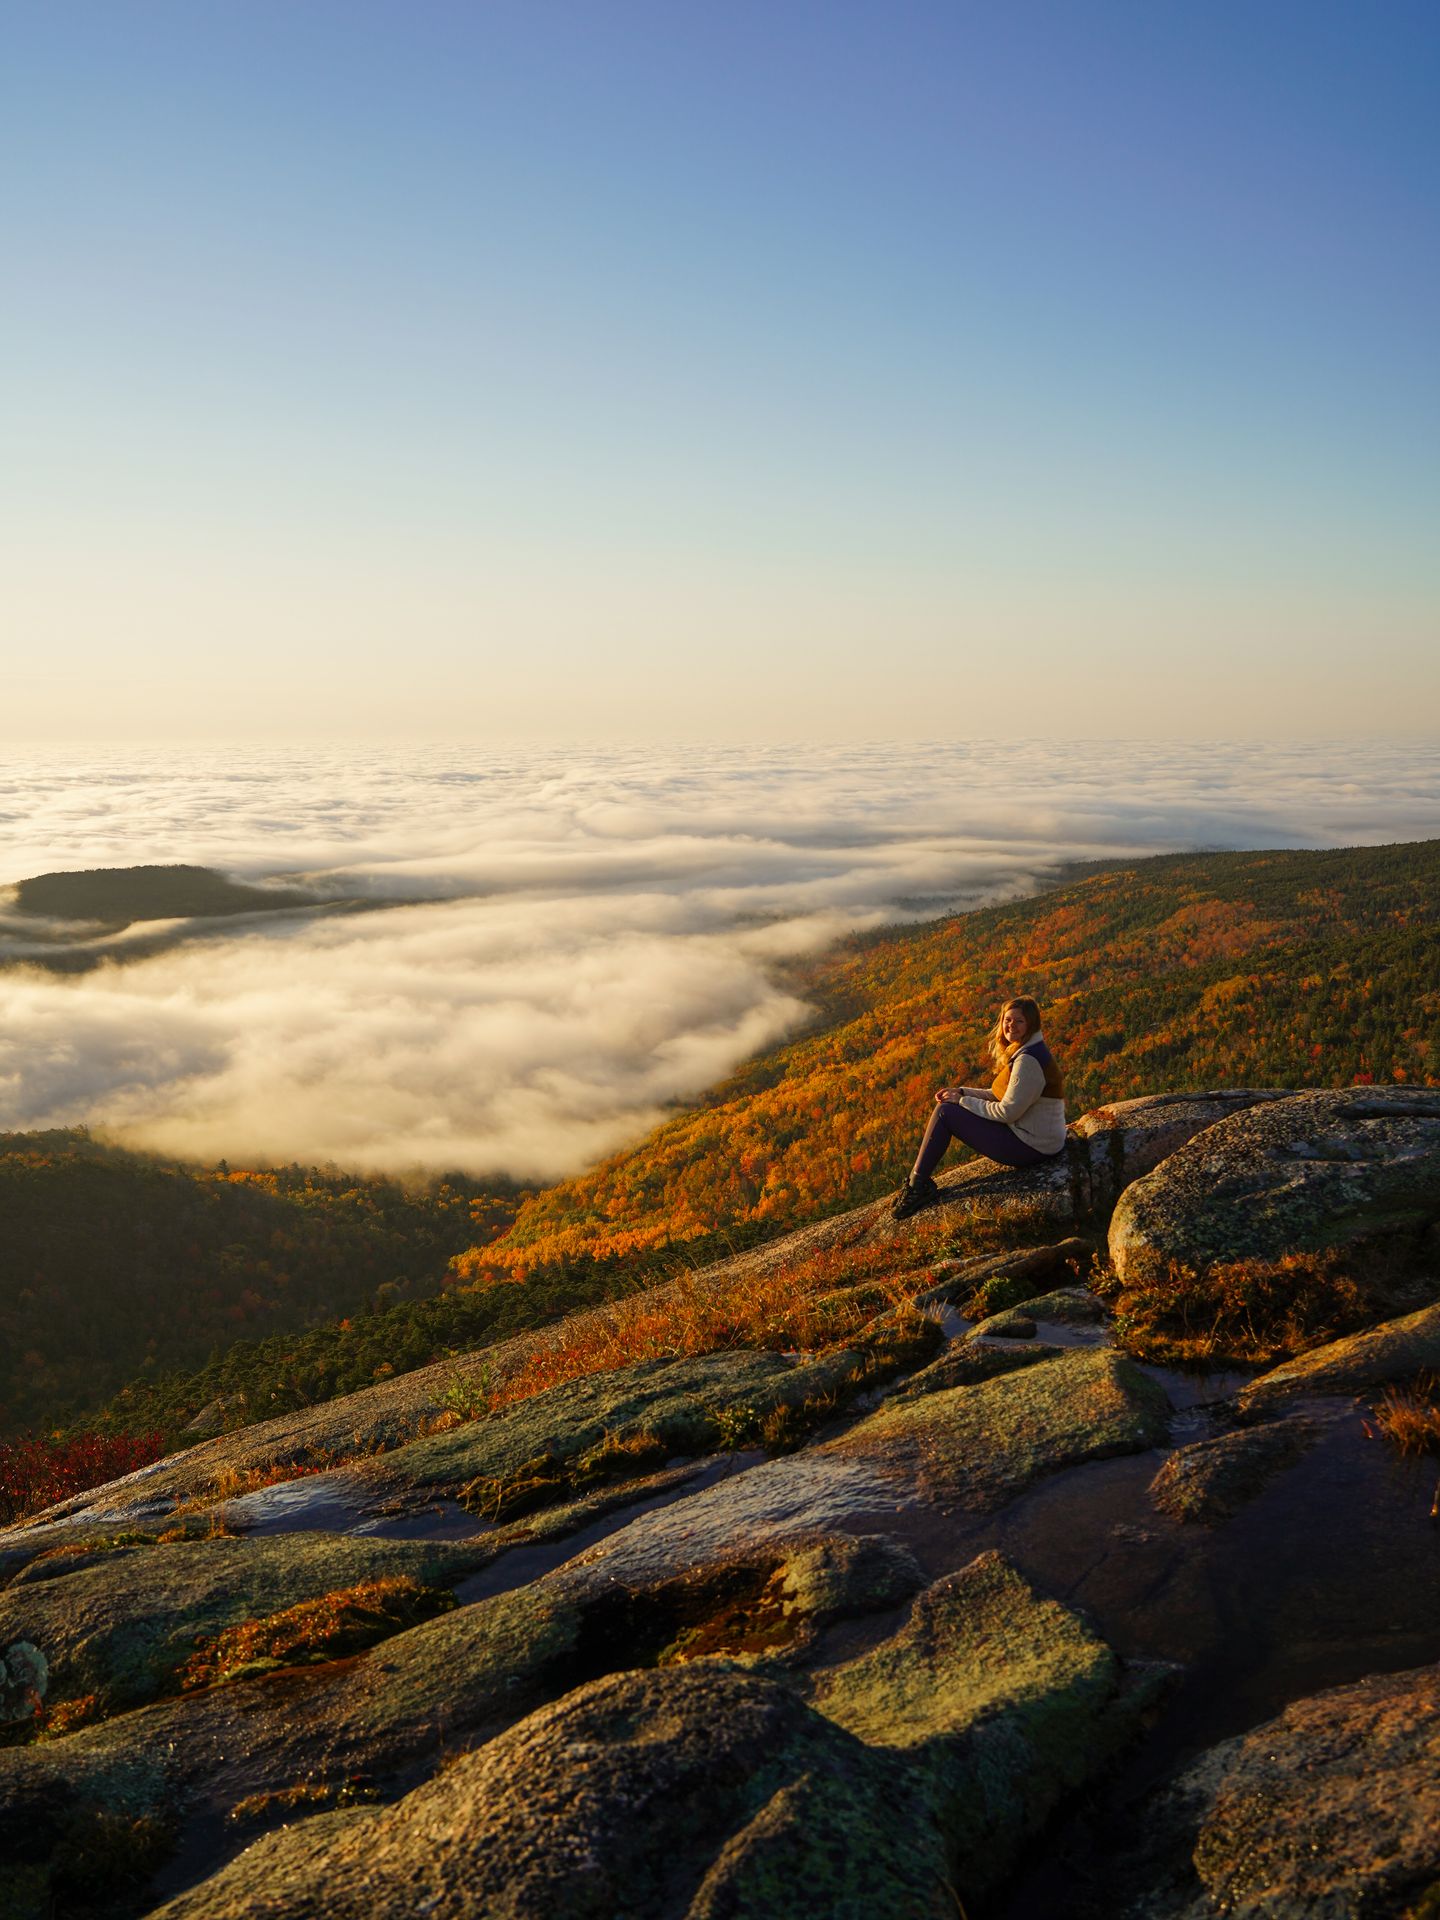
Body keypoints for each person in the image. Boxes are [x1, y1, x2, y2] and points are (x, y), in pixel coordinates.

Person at [890, 996, 1067, 1219]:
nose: (1011, 1025)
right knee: (948, 1106)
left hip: (1032, 1147)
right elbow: (999, 1096)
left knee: (946, 1113)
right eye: (1008, 1020)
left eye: (1019, 1021)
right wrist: (962, 1092)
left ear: (1031, 1025)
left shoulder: (1027, 1061)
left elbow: (1007, 1111)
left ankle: (917, 1186)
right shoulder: (1027, 1051)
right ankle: (918, 1182)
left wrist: (961, 1102)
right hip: (1037, 1139)